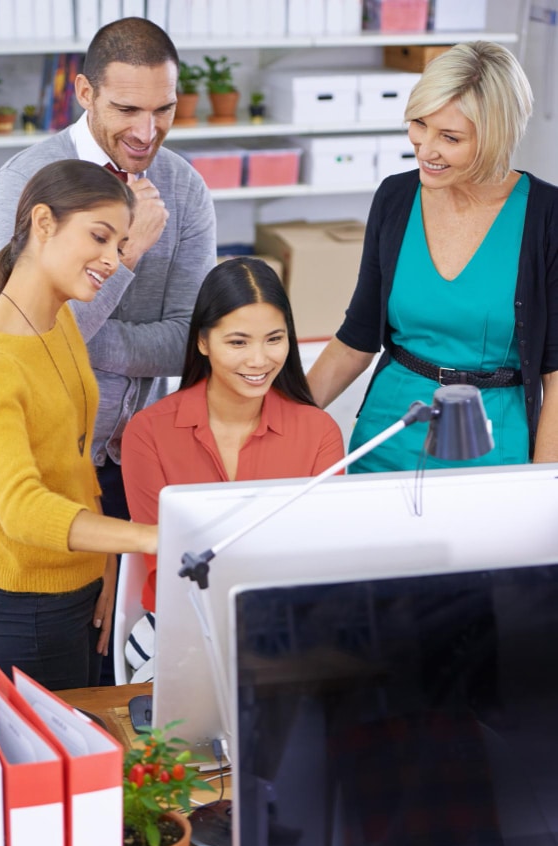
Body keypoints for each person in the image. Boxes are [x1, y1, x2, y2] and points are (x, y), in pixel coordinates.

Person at [0, 18, 217, 674]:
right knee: (52, 663)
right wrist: (128, 251)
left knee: (129, 667)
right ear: (84, 92)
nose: (148, 131)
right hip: (48, 466)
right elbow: (19, 338)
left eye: (164, 109)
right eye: (127, 110)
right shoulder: (25, 184)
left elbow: (187, 344)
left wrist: (77, 334)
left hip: (137, 459)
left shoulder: (183, 187)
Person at [0, 160, 157, 691]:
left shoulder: (58, 320)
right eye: (99, 237)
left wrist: (105, 564)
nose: (113, 260)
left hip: (79, 588)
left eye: (120, 244)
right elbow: (21, 509)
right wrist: (149, 538)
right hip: (28, 613)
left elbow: (75, 466)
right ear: (43, 222)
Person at [307, 41, 558, 472]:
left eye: (450, 137)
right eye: (420, 124)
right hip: (386, 435)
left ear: (496, 137)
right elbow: (355, 341)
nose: (425, 149)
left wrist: (544, 483)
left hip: (492, 447)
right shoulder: (395, 197)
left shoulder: (546, 216)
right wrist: (277, 422)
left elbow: (556, 374)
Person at [120, 257, 345, 680]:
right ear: (203, 342)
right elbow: (163, 565)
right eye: (238, 342)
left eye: (274, 339)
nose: (259, 360)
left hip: (292, 623)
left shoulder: (319, 432)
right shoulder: (148, 433)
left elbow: (319, 559)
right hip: (187, 624)